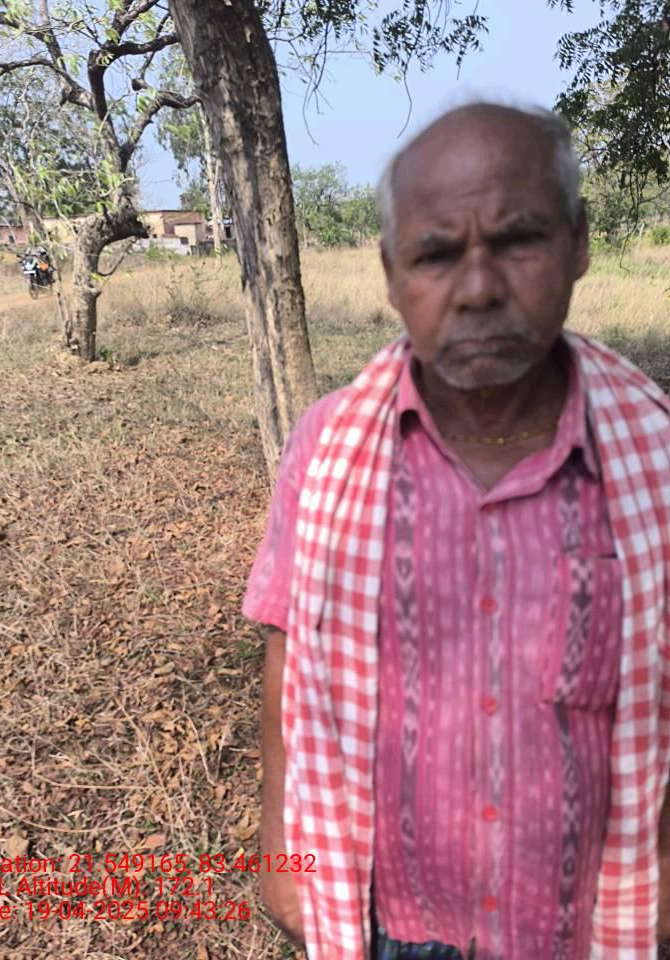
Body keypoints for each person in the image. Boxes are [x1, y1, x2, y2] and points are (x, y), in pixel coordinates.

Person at [242, 101, 670, 960]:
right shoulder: (327, 449)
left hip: (587, 923)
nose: (477, 289)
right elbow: (291, 657)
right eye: (436, 254)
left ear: (580, 242)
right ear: (391, 273)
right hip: (390, 924)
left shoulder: (655, 454)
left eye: (518, 240)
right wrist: (282, 853)